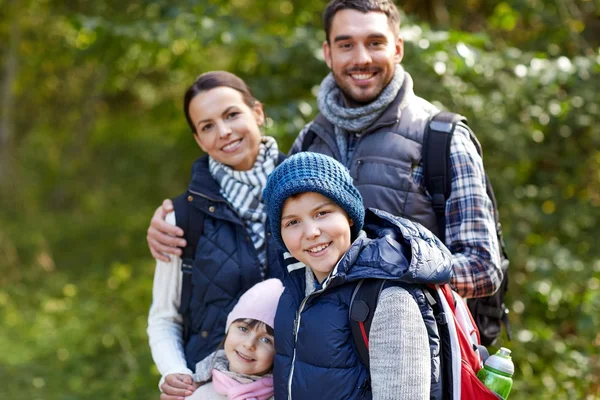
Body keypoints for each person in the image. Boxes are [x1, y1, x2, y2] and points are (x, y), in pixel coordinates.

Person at [146, 0, 502, 300]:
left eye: (375, 43)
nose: (361, 58)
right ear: (328, 53)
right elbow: (264, 232)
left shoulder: (441, 136)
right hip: (322, 363)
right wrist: (176, 220)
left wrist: (385, 271)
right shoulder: (310, 141)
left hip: (417, 358)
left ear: (397, 48)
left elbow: (482, 269)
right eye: (346, 45)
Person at [262, 152, 453, 399]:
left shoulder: (390, 299)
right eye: (292, 222)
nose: (311, 232)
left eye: (322, 213)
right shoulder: (294, 289)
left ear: (349, 215)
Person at [147, 71, 285, 400]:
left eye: (232, 115)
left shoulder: (306, 195)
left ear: (258, 113)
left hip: (297, 384)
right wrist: (175, 373)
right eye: (207, 126)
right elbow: (165, 317)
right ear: (198, 139)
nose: (223, 132)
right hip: (213, 388)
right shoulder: (180, 217)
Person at [186, 279, 283, 400]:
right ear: (228, 328)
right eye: (243, 329)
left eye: (266, 340)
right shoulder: (197, 393)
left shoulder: (285, 395)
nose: (249, 344)